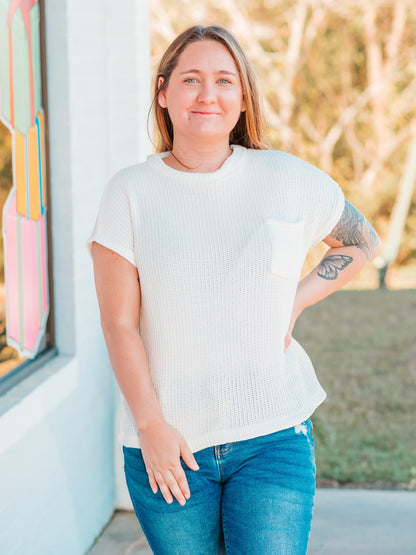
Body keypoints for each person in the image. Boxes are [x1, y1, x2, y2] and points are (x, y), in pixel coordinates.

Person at [86, 24, 381, 555]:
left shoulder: (285, 176)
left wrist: (296, 299)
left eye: (224, 80)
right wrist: (151, 425)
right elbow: (119, 324)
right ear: (163, 92)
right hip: (170, 444)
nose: (207, 95)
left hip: (271, 436)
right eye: (191, 79)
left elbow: (361, 241)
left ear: (242, 98)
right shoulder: (129, 192)